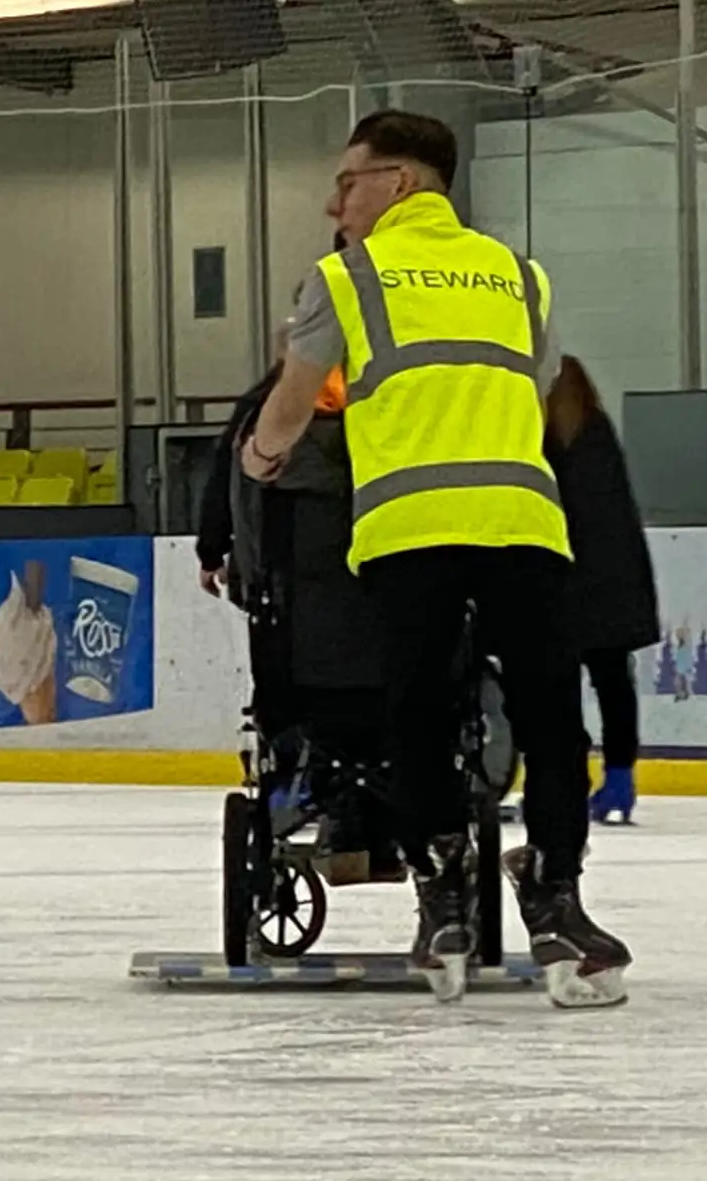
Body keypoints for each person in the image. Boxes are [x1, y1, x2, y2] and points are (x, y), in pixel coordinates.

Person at [243, 110, 627, 1007]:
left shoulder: (346, 276)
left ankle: (444, 891)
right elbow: (530, 389)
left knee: (415, 707)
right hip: (521, 520)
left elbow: (293, 405)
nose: (335, 201)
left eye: (350, 181)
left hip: (409, 525)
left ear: (403, 182)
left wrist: (257, 466)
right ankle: (558, 895)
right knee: (547, 713)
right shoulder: (519, 276)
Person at [547, 359, 659, 826]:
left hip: (560, 583)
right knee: (614, 682)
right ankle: (619, 777)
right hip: (612, 585)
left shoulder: (542, 445)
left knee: (554, 687)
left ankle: (563, 778)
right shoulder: (598, 438)